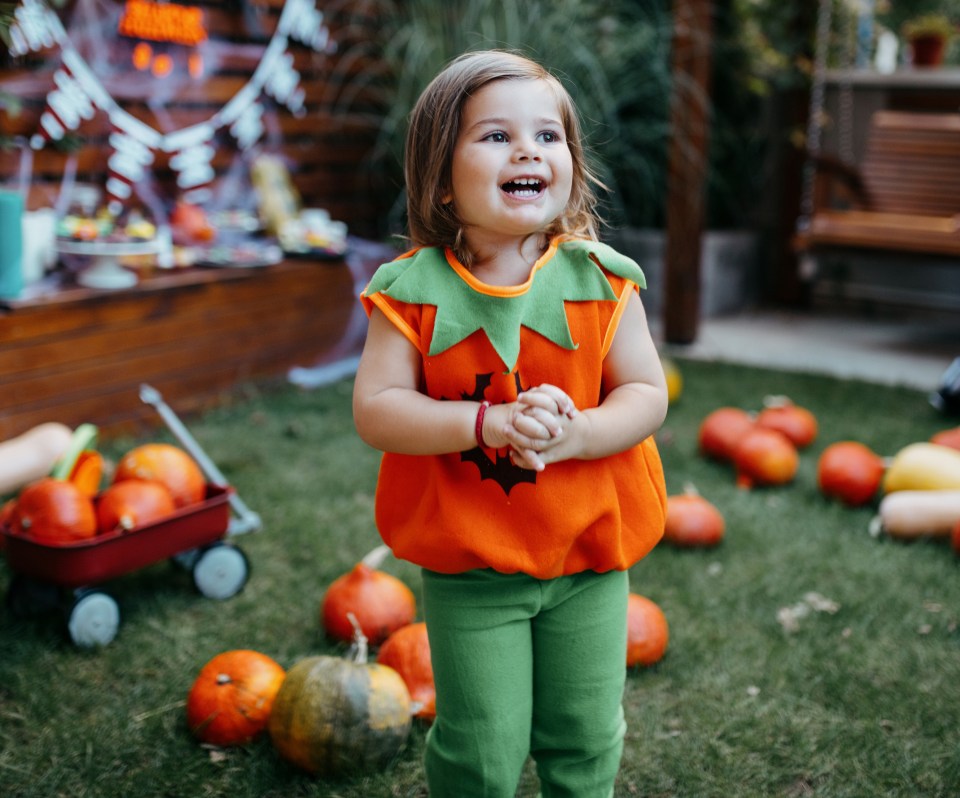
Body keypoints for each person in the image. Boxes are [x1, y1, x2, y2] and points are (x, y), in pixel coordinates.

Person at [352, 49, 668, 798]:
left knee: (586, 735)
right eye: (495, 137)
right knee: (481, 748)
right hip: (473, 568)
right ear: (440, 175)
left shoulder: (604, 281)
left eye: (548, 136)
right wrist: (486, 423)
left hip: (590, 558)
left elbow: (647, 392)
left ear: (569, 163)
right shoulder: (411, 294)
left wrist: (584, 434)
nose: (528, 150)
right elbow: (378, 410)